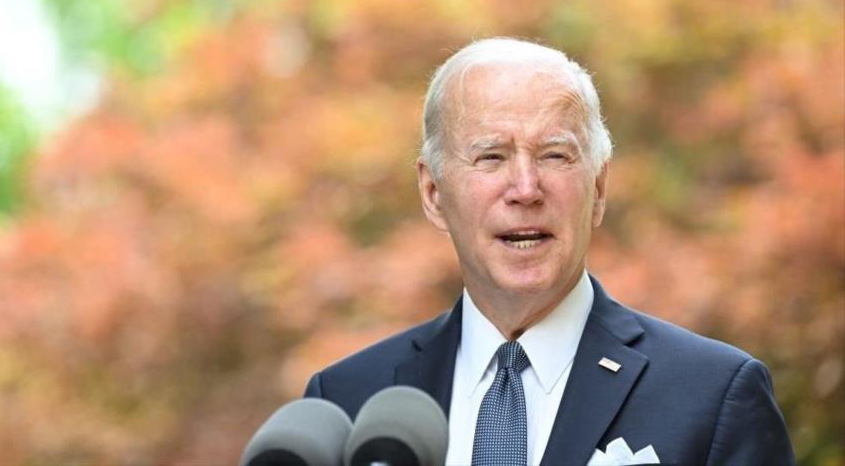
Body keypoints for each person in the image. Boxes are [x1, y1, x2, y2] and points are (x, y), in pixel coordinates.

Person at [304, 38, 795, 465]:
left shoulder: (713, 396)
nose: (525, 188)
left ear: (599, 189)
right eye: (491, 156)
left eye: (555, 155)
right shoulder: (348, 403)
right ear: (434, 194)